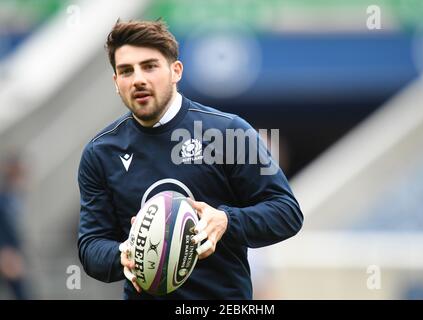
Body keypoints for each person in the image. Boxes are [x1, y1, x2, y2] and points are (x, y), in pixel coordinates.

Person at [77, 19, 303, 300]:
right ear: (116, 82)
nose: (138, 79)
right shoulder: (100, 153)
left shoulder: (229, 132)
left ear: (176, 71)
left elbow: (287, 213)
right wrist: (122, 253)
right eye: (126, 71)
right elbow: (90, 246)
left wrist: (226, 221)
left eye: (150, 66)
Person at [0, 154, 28, 300]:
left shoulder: (16, 196)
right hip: (7, 254)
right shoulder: (4, 198)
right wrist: (4, 250)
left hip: (12, 252)